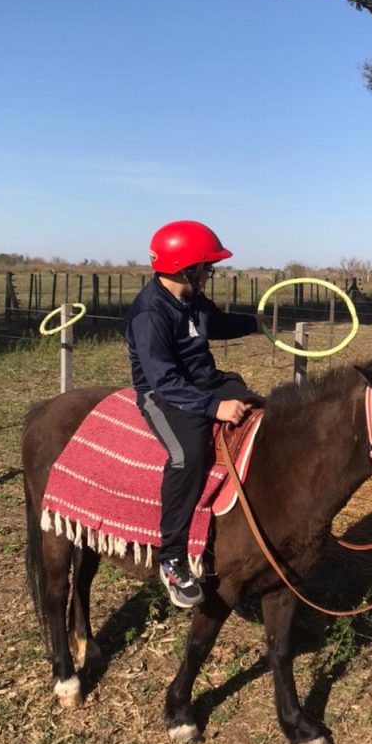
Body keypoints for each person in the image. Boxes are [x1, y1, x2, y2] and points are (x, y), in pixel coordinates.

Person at [124, 220, 263, 609]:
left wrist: (254, 323)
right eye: (207, 267)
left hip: (207, 381)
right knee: (191, 456)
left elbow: (214, 323)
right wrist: (214, 407)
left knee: (263, 414)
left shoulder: (192, 299)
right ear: (186, 268)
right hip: (165, 395)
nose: (210, 273)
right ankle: (171, 557)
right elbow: (164, 379)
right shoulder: (149, 313)